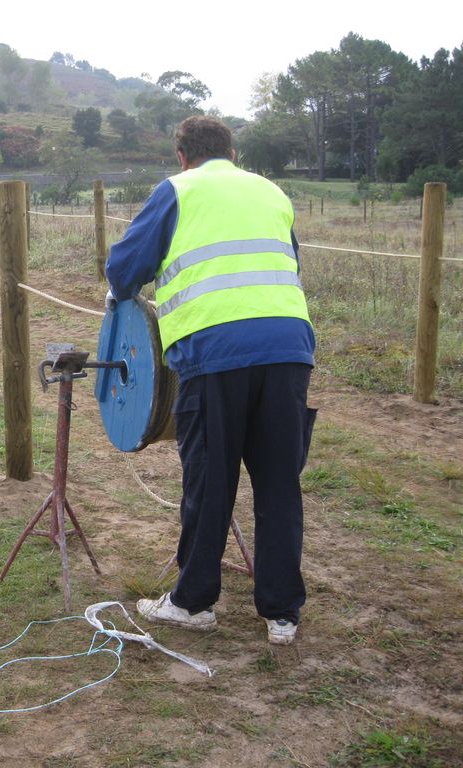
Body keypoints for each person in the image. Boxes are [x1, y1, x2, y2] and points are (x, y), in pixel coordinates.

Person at [104, 116, 317, 645]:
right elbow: (288, 262)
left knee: (210, 478)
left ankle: (193, 602)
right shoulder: (271, 192)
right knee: (278, 482)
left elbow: (125, 268)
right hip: (289, 347)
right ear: (233, 151)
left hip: (215, 351)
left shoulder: (177, 191)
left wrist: (121, 292)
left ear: (181, 155)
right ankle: (282, 613)